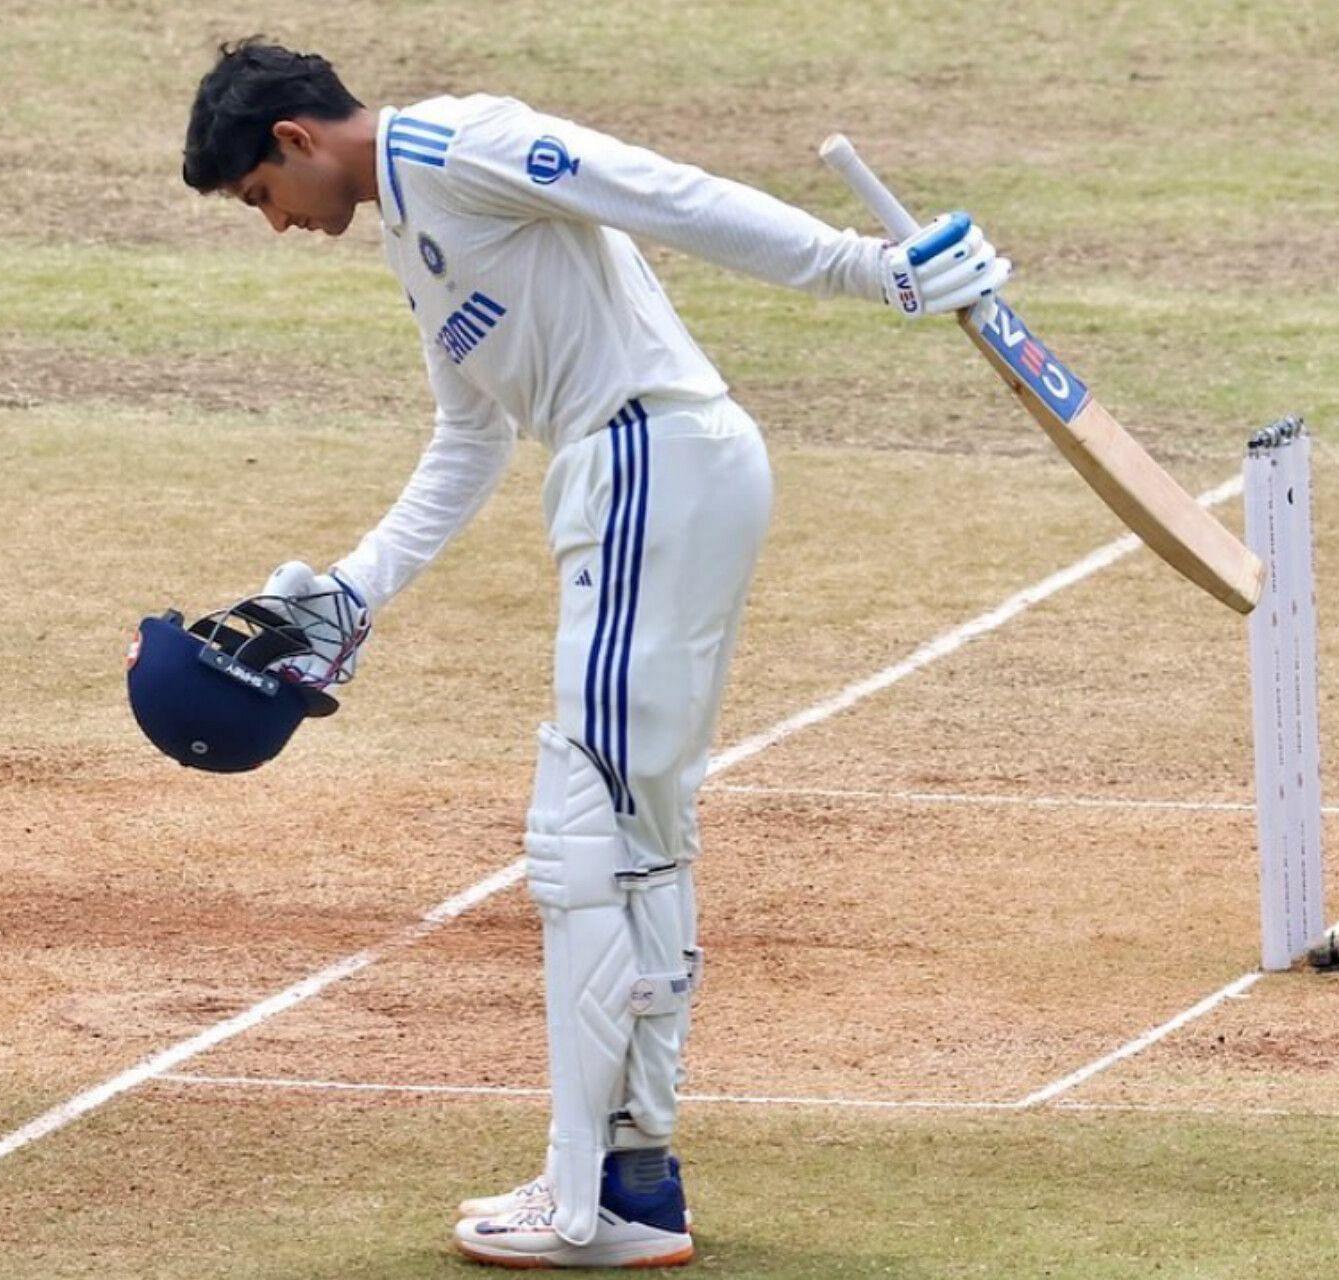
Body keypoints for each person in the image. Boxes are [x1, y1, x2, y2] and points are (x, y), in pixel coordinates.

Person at [180, 37, 1010, 1269]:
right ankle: (635, 1179)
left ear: (294, 141)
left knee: (585, 832)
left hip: (643, 467)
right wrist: (352, 590)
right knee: (635, 834)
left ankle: (589, 1202)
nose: (275, 224)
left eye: (260, 196)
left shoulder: (456, 143)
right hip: (651, 472)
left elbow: (658, 189)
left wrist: (867, 271)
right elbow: (470, 440)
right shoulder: (416, 237)